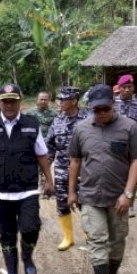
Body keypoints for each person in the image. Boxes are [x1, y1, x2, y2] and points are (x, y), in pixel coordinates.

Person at [68, 84, 137, 274]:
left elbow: (136, 161)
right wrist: (72, 192)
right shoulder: (81, 129)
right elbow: (74, 161)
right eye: (96, 110)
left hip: (118, 197)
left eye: (105, 109)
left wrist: (127, 194)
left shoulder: (130, 127)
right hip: (90, 195)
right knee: (97, 238)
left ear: (113, 105)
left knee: (117, 239)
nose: (101, 114)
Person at [0, 83, 54, 274]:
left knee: (31, 228)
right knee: (6, 235)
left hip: (27, 189)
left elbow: (42, 154)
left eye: (13, 101)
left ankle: (27, 256)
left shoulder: (31, 124)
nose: (9, 104)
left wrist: (48, 180)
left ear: (20, 102)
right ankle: (11, 273)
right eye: (5, 101)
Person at [45, 86, 88, 251]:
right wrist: (46, 168)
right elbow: (49, 146)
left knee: (87, 204)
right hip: (62, 170)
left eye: (63, 99)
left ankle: (90, 236)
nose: (60, 102)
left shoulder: (88, 118)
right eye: (59, 99)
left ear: (74, 101)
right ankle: (68, 237)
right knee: (62, 204)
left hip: (85, 170)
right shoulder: (57, 120)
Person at [114, 74, 137, 217]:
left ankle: (130, 204)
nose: (128, 90)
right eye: (124, 87)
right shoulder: (112, 104)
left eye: (130, 87)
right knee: (116, 174)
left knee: (134, 177)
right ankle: (115, 201)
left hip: (133, 146)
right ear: (119, 89)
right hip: (115, 146)